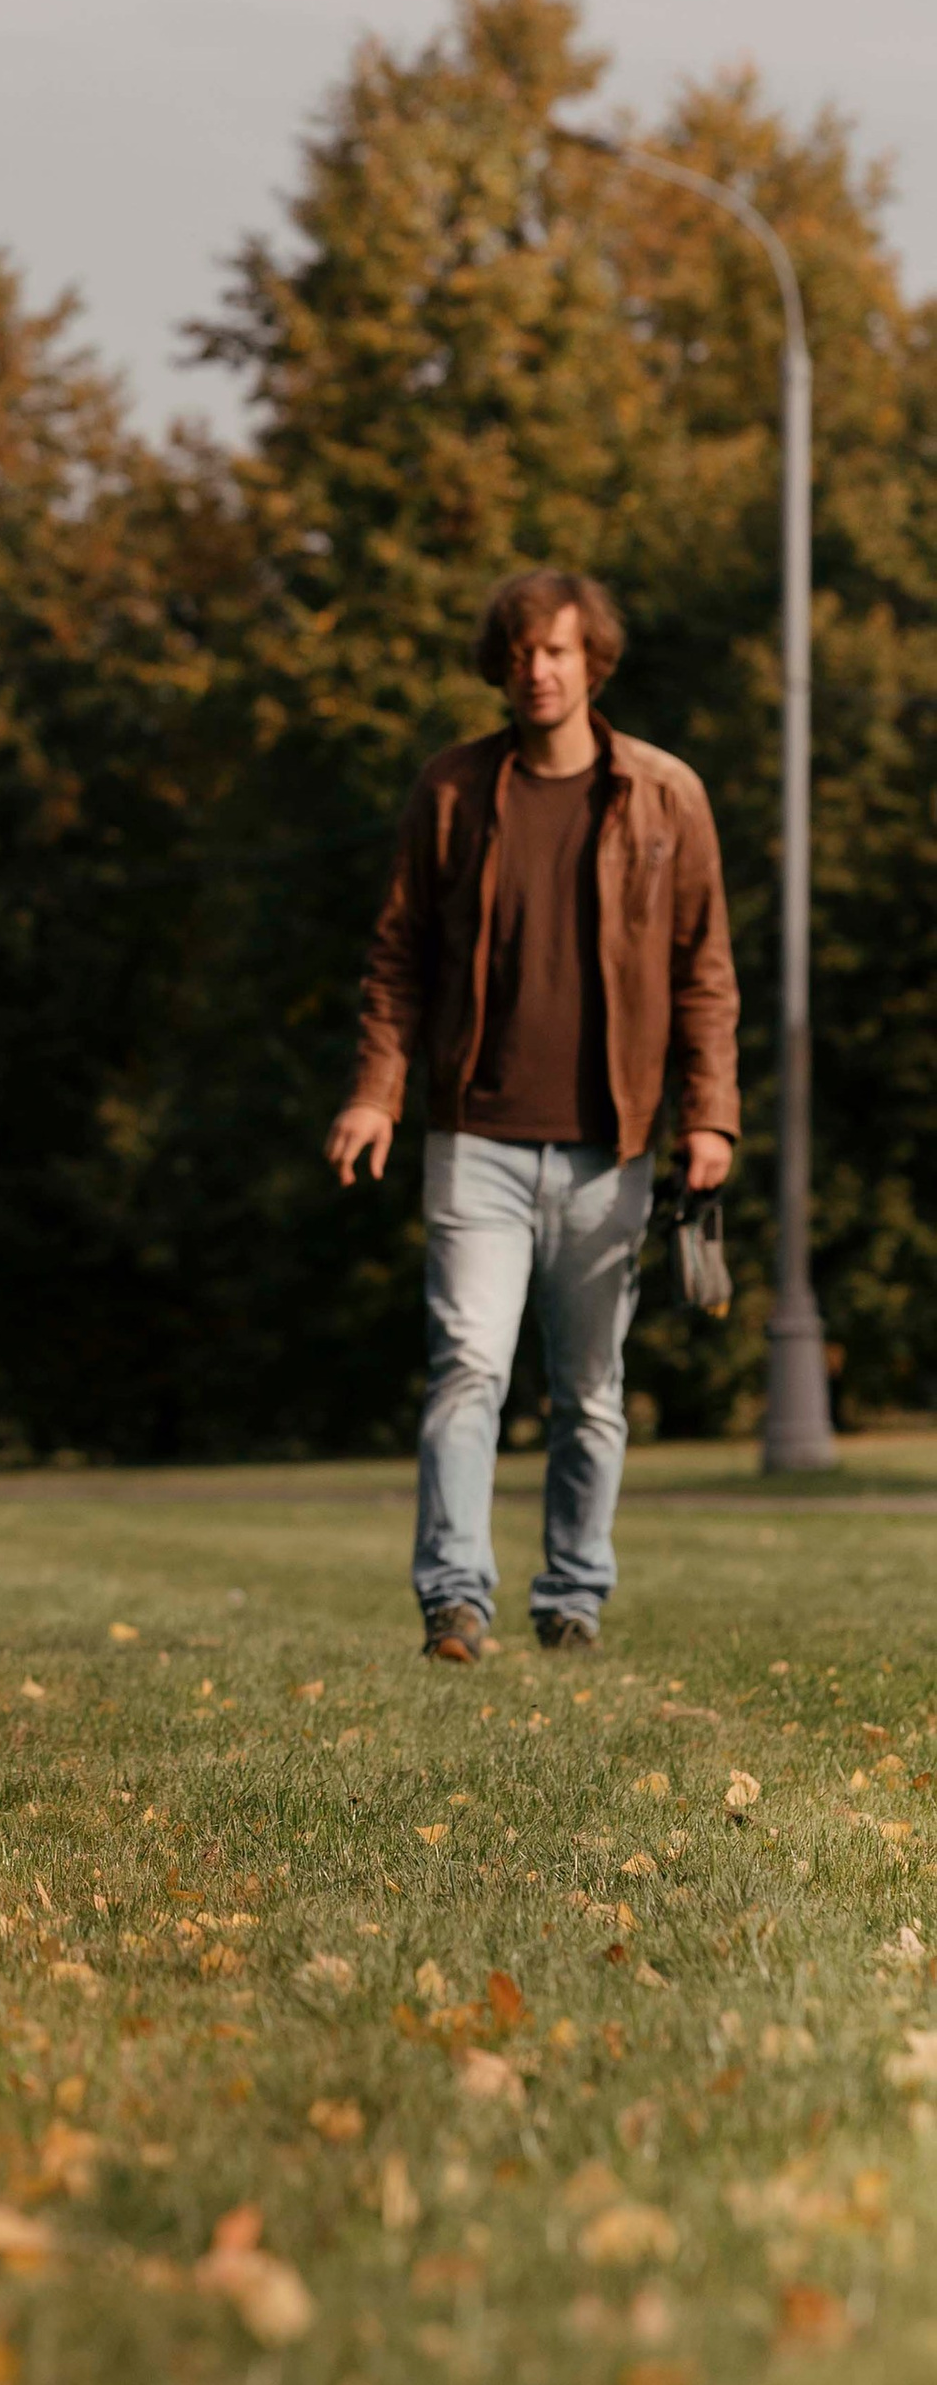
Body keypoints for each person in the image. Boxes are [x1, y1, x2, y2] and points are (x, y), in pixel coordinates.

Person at [326, 569, 739, 1660]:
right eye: (518, 652)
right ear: (498, 665)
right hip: (476, 1134)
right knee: (467, 1365)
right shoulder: (453, 792)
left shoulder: (664, 795)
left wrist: (711, 1120)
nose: (537, 670)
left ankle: (572, 1599)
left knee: (592, 1390)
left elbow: (704, 972)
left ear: (592, 661)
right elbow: (397, 959)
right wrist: (375, 1094)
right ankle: (454, 1600)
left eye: (556, 651)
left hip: (615, 1141)